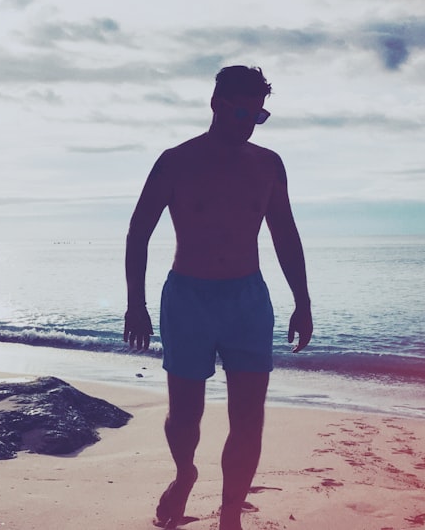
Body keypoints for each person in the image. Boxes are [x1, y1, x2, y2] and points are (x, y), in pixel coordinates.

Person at [123, 65, 312, 530]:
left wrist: (302, 301)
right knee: (185, 416)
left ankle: (230, 515)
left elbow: (285, 234)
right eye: (242, 111)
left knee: (249, 418)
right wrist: (136, 303)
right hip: (187, 298)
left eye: (259, 114)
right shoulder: (176, 161)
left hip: (247, 300)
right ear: (216, 104)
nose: (249, 122)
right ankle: (185, 472)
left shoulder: (268, 165)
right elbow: (138, 232)